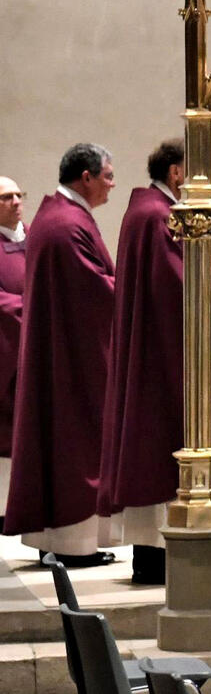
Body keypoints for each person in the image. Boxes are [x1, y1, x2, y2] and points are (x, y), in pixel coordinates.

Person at [97, 139, 211, 583]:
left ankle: (150, 558)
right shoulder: (160, 214)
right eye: (195, 172)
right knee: (163, 446)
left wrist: (200, 267)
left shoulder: (143, 209)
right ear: (175, 173)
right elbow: (174, 284)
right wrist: (202, 273)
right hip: (165, 357)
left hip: (150, 348)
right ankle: (156, 560)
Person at [4, 144, 117, 566]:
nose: (112, 184)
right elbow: (93, 290)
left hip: (64, 353)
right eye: (107, 175)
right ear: (84, 177)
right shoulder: (66, 224)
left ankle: (64, 541)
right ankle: (73, 544)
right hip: (72, 359)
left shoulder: (56, 217)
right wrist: (136, 294)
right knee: (75, 441)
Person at [0, 177, 26, 533]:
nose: (17, 201)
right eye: (7, 197)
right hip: (6, 348)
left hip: (33, 348)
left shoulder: (34, 236)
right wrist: (29, 307)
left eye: (19, 195)